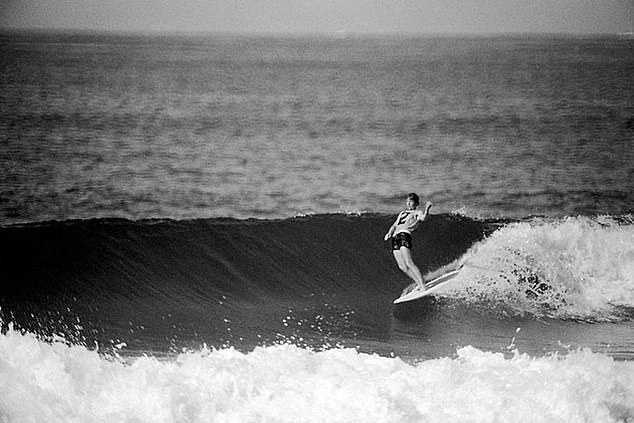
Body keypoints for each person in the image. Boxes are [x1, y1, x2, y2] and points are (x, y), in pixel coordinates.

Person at [383, 193, 433, 291]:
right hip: (395, 238)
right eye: (407, 201)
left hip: (404, 235)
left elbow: (423, 218)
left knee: (409, 262)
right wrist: (389, 233)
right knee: (402, 267)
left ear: (416, 203)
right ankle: (418, 283)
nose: (408, 203)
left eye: (411, 201)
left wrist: (427, 209)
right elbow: (394, 225)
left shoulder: (417, 212)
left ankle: (423, 285)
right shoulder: (402, 213)